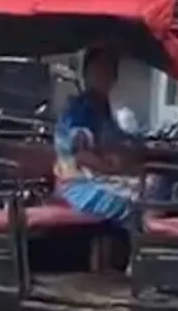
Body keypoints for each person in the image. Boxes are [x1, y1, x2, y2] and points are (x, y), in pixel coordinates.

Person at [54, 47, 145, 223]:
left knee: (152, 189)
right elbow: (82, 155)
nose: (105, 76)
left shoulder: (102, 107)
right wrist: (119, 169)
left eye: (109, 70)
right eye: (99, 70)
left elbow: (118, 143)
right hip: (77, 186)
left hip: (99, 179)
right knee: (138, 204)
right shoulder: (81, 109)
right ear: (86, 74)